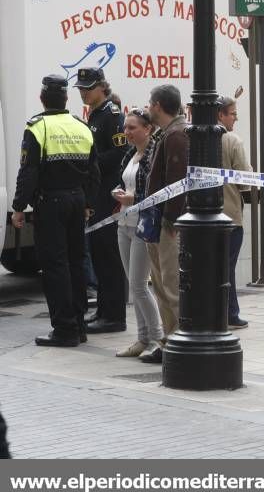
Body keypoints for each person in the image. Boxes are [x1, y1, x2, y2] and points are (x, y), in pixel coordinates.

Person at [11, 75, 100, 346]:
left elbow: (29, 172)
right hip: (76, 201)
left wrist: (18, 207)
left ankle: (64, 329)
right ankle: (79, 325)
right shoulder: (81, 127)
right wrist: (88, 204)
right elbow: (94, 173)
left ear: (42, 98)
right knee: (75, 262)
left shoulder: (38, 128)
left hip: (51, 204)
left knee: (55, 266)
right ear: (66, 98)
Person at [76, 67, 128, 334]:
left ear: (102, 87)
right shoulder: (95, 113)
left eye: (88, 88)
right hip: (97, 192)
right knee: (99, 253)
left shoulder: (111, 115)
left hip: (107, 193)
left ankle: (114, 315)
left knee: (108, 255)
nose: (84, 92)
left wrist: (89, 163)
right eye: (82, 88)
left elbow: (119, 153)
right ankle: (104, 311)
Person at [140, 84, 188, 364]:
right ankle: (170, 338)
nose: (148, 106)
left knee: (171, 284)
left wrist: (170, 219)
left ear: (158, 105)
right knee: (160, 284)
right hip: (160, 223)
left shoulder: (177, 135)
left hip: (169, 225)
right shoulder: (168, 133)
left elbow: (177, 182)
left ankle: (179, 338)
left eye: (150, 102)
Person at [112, 109, 164, 357]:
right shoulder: (130, 155)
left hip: (143, 225)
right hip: (124, 224)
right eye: (126, 127)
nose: (127, 133)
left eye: (132, 128)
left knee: (140, 285)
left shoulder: (155, 154)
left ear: (148, 128)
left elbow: (157, 192)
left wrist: (134, 198)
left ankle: (157, 338)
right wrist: (121, 193)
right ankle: (142, 339)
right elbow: (127, 183)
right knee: (133, 286)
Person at [218, 96, 253, 329]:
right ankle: (230, 313)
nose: (236, 118)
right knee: (226, 268)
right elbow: (245, 179)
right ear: (220, 114)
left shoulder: (194, 138)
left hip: (197, 217)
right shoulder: (231, 140)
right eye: (232, 113)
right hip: (229, 215)